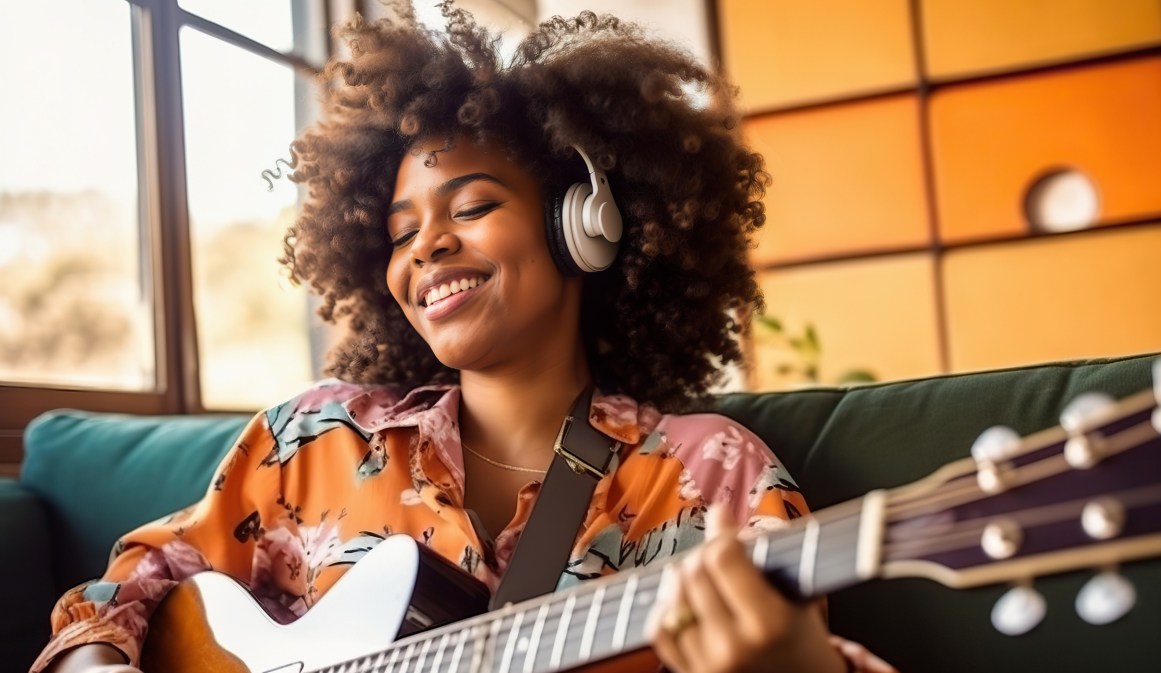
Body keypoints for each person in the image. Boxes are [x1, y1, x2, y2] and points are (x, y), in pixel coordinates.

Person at [34, 3, 894, 672]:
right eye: (399, 232)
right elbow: (129, 583)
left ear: (582, 227)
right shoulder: (315, 438)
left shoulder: (710, 473)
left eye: (473, 207)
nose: (427, 248)